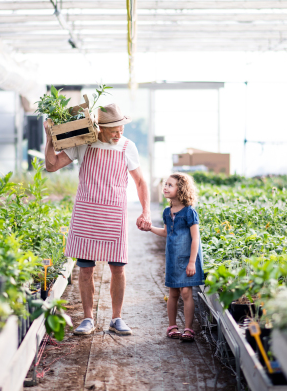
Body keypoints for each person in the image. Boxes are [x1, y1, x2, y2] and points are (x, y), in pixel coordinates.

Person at [44, 103, 152, 336]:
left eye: (121, 127)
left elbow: (141, 182)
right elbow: (51, 166)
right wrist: (49, 136)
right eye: (114, 129)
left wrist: (146, 211)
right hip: (86, 213)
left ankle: (117, 318)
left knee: (118, 269)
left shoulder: (127, 146)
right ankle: (87, 319)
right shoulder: (83, 142)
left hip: (114, 215)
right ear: (100, 127)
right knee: (85, 270)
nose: (119, 133)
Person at [141, 173, 204, 342]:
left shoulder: (190, 212)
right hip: (172, 258)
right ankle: (172, 326)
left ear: (181, 189)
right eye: (165, 184)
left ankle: (189, 328)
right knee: (173, 293)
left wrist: (192, 262)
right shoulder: (167, 212)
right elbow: (166, 232)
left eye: (170, 185)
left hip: (187, 259)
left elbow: (195, 238)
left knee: (186, 292)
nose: (166, 187)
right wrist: (150, 228)